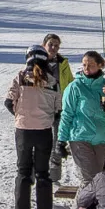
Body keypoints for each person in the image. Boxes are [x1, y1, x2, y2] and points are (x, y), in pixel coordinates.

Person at [5, 44, 60, 209]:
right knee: (43, 173)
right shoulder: (52, 81)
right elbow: (58, 108)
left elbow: (8, 101)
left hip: (23, 130)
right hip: (44, 131)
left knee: (23, 169)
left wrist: (20, 114)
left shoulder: (20, 77)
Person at [57, 49, 105, 188]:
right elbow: (66, 114)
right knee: (89, 182)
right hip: (80, 137)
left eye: (91, 65)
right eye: (84, 65)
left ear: (100, 65)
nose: (86, 69)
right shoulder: (75, 87)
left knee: (99, 180)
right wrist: (61, 140)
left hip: (100, 137)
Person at [42, 33, 77, 184]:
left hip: (60, 107)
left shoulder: (63, 63)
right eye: (51, 44)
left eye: (56, 45)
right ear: (44, 45)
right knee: (43, 141)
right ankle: (41, 172)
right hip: (42, 107)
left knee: (58, 140)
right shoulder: (37, 62)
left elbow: (70, 82)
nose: (54, 48)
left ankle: (54, 176)